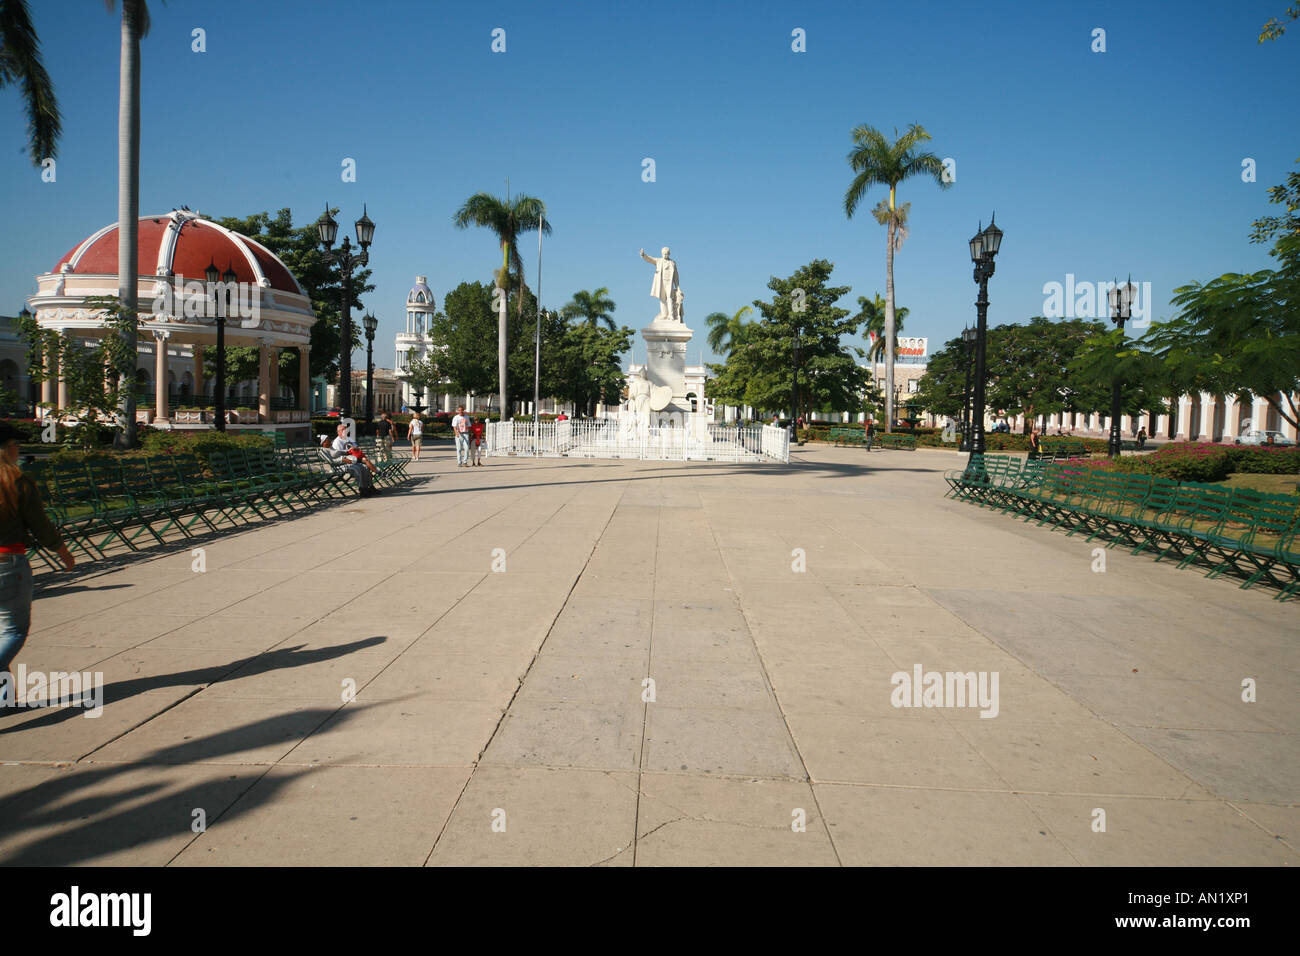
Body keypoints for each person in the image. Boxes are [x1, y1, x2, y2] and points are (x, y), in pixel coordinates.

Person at [1, 423, 76, 710]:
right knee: (13, 632)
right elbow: (41, 527)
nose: (18, 450)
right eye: (15, 445)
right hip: (8, 563)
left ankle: (5, 700)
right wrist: (64, 553)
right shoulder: (18, 484)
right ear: (7, 449)